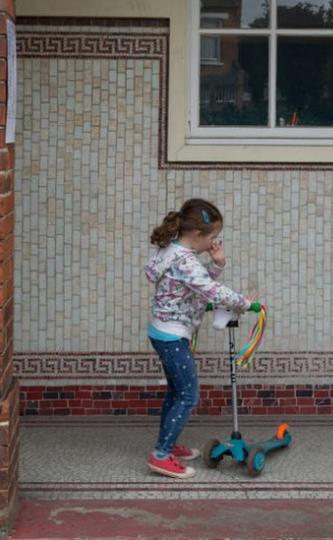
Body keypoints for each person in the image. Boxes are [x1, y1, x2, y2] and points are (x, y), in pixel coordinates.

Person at [144, 198, 257, 479]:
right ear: (197, 235)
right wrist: (242, 302)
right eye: (213, 237)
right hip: (172, 336)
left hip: (162, 331)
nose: (215, 242)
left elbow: (194, 285)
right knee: (187, 395)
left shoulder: (170, 251)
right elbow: (209, 289)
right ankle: (161, 455)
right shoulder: (186, 261)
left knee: (175, 392)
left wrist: (216, 265)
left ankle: (167, 444)